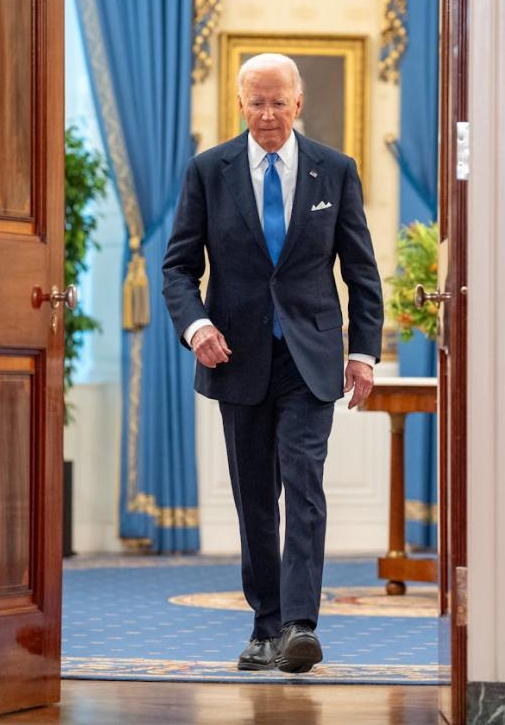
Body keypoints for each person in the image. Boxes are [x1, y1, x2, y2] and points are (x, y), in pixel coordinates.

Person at [163, 53, 383, 673]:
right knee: (255, 497)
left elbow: (361, 271)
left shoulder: (335, 171)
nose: (266, 113)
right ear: (240, 104)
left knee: (304, 485)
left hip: (311, 358)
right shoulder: (209, 171)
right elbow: (178, 268)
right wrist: (197, 324)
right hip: (239, 356)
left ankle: (298, 626)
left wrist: (363, 352)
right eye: (255, 102)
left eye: (277, 101)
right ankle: (264, 628)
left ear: (298, 103)